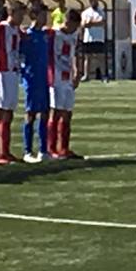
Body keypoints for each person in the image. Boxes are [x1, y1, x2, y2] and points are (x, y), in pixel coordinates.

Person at [0, 0, 24, 164]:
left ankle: (5, 150)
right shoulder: (0, 28)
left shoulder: (16, 30)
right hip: (2, 73)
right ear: (12, 13)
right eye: (20, 14)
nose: (22, 18)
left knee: (9, 112)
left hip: (13, 73)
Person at [48, 9, 82, 159]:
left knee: (67, 113)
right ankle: (51, 148)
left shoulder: (74, 35)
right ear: (68, 22)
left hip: (68, 78)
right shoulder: (53, 33)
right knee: (55, 112)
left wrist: (77, 72)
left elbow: (76, 53)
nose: (76, 29)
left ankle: (64, 148)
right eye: (75, 25)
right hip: (55, 79)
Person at [20, 5, 51, 163]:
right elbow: (20, 56)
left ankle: (43, 150)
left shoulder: (45, 35)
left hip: (43, 78)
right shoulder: (27, 36)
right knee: (30, 113)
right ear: (34, 16)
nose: (45, 18)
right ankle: (27, 151)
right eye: (42, 15)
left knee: (45, 112)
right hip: (31, 79)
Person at [80, 0, 107, 80]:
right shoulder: (85, 13)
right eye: (93, 1)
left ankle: (103, 75)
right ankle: (86, 75)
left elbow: (102, 22)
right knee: (88, 57)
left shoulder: (101, 12)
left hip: (99, 38)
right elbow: (84, 24)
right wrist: (93, 23)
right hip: (88, 38)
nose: (95, 2)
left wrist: (91, 23)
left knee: (100, 57)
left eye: (96, 1)